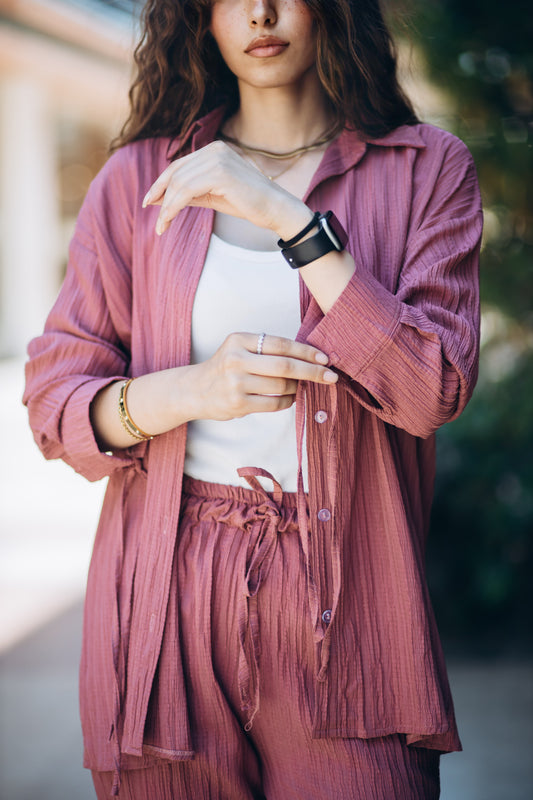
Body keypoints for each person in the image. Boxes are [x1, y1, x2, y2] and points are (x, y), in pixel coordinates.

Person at [23, 1, 483, 798]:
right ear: (199, 16)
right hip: (165, 589)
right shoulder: (137, 178)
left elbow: (429, 390)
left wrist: (288, 219)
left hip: (353, 588)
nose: (260, 13)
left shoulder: (426, 169)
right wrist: (191, 390)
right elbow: (55, 405)